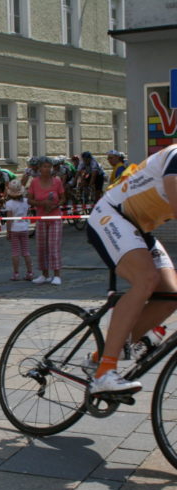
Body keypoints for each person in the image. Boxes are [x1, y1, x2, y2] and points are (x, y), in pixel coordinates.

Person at [86, 144, 177, 394]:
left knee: (171, 295)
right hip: (111, 216)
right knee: (146, 279)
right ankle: (105, 372)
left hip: (139, 227)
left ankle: (101, 355)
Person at [28, 156, 65, 285]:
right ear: (39, 168)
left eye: (49, 166)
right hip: (41, 217)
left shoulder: (57, 181)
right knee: (42, 247)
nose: (47, 169)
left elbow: (63, 198)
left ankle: (57, 275)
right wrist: (42, 203)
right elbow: (29, 200)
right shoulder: (34, 182)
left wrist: (56, 205)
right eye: (45, 166)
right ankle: (44, 274)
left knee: (54, 246)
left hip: (55, 217)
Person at [5, 179, 33, 281]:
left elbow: (9, 220)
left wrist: (8, 232)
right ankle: (30, 272)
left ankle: (16, 274)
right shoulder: (26, 202)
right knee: (26, 252)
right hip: (24, 227)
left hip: (14, 229)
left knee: (15, 252)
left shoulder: (9, 203)